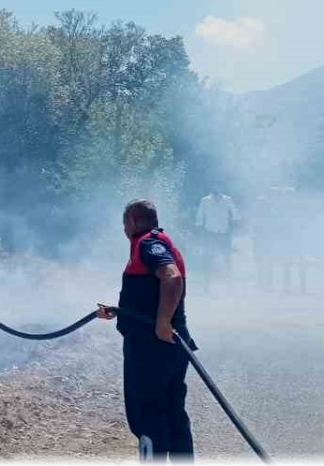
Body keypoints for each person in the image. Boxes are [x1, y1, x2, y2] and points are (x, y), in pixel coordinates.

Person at [98, 199, 196, 461]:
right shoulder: (158, 241)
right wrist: (119, 310)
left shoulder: (148, 244)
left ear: (131, 220)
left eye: (123, 224)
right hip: (169, 345)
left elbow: (171, 276)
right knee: (173, 414)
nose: (123, 230)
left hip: (151, 348)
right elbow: (149, 294)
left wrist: (163, 322)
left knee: (147, 417)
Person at [194, 189, 239, 291]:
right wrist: (199, 229)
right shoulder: (205, 200)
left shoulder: (228, 200)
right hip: (210, 233)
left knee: (227, 259)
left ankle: (229, 285)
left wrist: (233, 227)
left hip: (224, 233)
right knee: (208, 259)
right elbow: (200, 216)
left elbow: (235, 214)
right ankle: (206, 285)